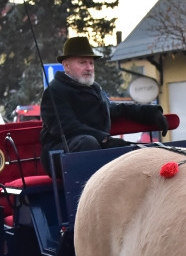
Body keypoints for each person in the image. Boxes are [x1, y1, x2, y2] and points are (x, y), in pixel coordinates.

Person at [40, 37, 168, 173]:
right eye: (82, 62)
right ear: (66, 66)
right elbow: (66, 126)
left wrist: (149, 112)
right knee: (88, 142)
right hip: (61, 155)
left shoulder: (94, 88)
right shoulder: (55, 91)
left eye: (91, 63)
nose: (89, 68)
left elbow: (114, 109)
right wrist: (105, 139)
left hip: (94, 148)